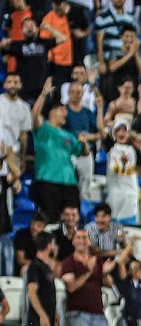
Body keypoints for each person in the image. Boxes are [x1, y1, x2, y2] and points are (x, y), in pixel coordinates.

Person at [61, 228, 116, 326]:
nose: (82, 241)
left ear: (89, 242)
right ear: (73, 241)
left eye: (85, 237)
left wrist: (104, 272)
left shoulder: (96, 261)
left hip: (99, 313)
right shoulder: (68, 263)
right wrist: (88, 271)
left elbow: (109, 284)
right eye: (78, 237)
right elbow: (71, 287)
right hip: (77, 314)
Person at [30, 79, 87, 222]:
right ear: (52, 112)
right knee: (50, 220)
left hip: (69, 183)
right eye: (62, 110)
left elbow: (83, 152)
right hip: (47, 181)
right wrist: (43, 94)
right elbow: (34, 115)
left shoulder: (69, 136)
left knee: (72, 220)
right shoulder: (43, 129)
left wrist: (84, 143)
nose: (65, 113)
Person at [25, 231, 57, 326]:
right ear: (49, 245)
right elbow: (32, 292)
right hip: (37, 319)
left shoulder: (45, 266)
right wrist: (42, 314)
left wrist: (53, 313)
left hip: (47, 317)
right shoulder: (35, 266)